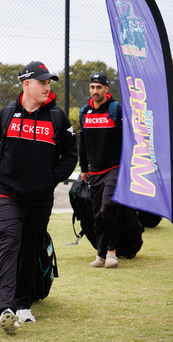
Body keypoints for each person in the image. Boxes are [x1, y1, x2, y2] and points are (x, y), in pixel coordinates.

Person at [0, 61, 78, 334]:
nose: (47, 87)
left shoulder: (58, 118)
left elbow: (71, 155)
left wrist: (49, 180)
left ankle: (24, 304)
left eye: (49, 82)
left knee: (31, 247)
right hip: (7, 193)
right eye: (42, 82)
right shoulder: (5, 115)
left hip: (40, 197)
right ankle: (5, 308)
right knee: (10, 242)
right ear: (27, 84)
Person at [79, 72, 122, 269]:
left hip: (114, 168)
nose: (95, 91)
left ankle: (112, 252)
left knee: (107, 208)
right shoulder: (84, 112)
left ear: (106, 88)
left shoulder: (116, 109)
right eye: (92, 87)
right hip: (93, 171)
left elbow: (127, 139)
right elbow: (83, 143)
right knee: (96, 214)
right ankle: (101, 254)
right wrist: (84, 168)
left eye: (99, 87)